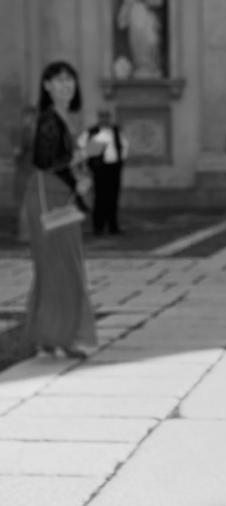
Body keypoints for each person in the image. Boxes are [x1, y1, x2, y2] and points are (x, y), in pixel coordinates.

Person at [25, 61, 99, 360]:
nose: (66, 85)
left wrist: (79, 180)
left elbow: (60, 161)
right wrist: (83, 153)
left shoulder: (62, 118)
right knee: (64, 268)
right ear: (46, 86)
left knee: (54, 269)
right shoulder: (49, 120)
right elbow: (44, 160)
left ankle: (48, 336)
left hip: (59, 195)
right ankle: (66, 337)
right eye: (58, 80)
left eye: (70, 79)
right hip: (49, 198)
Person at [78, 108, 129, 235]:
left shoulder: (116, 130)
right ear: (99, 118)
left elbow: (125, 146)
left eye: (107, 116)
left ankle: (113, 226)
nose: (104, 119)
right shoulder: (92, 131)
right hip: (99, 169)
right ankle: (98, 227)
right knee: (100, 198)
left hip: (114, 168)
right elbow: (83, 147)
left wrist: (121, 160)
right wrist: (88, 163)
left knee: (113, 197)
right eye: (102, 116)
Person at [10, 105, 37, 241]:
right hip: (26, 170)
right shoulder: (23, 132)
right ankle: (26, 234)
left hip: (32, 170)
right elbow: (18, 153)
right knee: (26, 203)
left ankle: (30, 233)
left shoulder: (32, 132)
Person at [117, 0, 163, 78]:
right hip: (135, 16)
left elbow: (158, 2)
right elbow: (122, 22)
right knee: (138, 44)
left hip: (149, 18)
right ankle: (141, 67)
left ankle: (151, 68)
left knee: (152, 42)